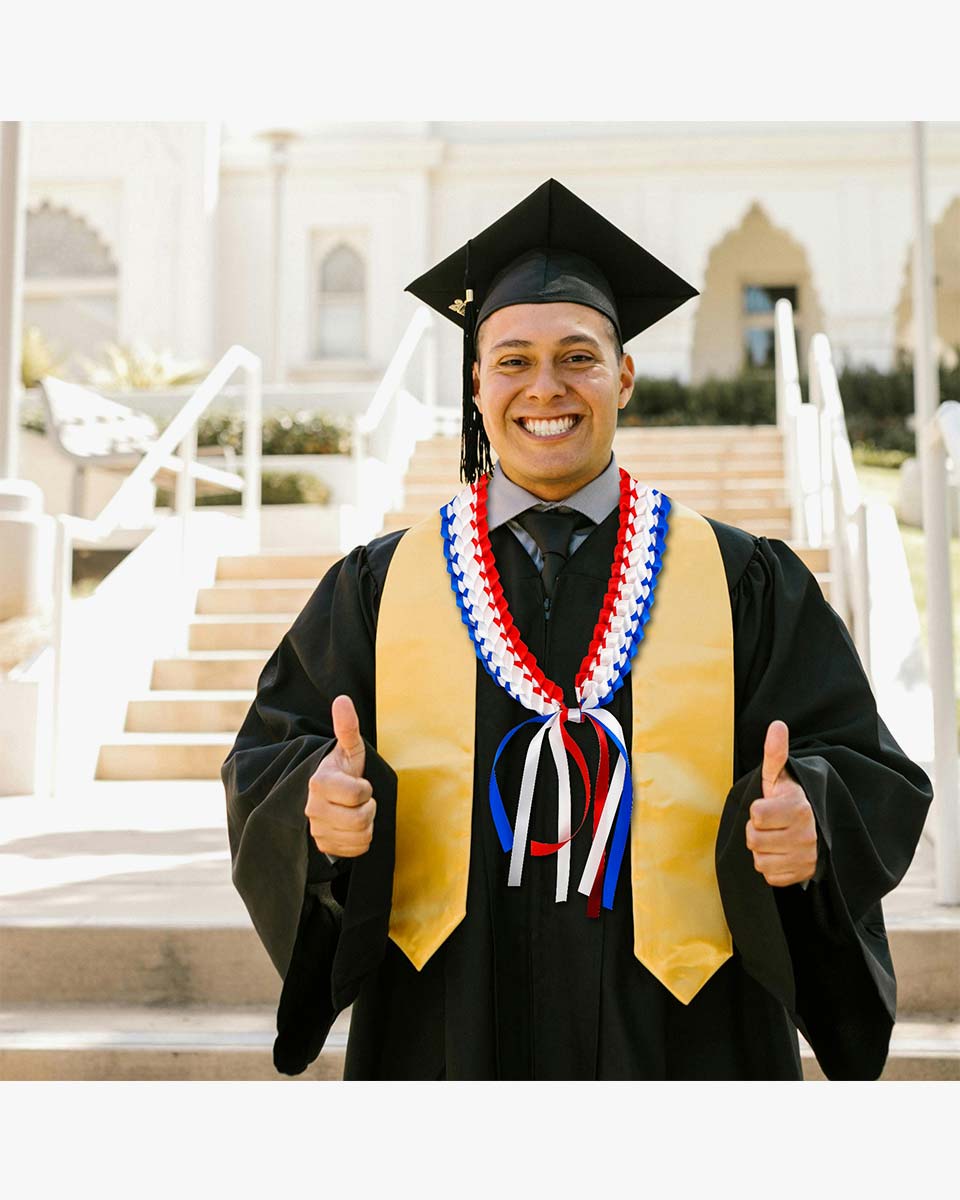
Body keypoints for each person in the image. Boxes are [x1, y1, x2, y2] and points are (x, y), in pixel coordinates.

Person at [222, 178, 933, 1080]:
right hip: (450, 1023)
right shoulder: (381, 584)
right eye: (512, 360)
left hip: (682, 1035)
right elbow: (272, 757)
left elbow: (862, 762)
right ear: (476, 384)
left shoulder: (739, 578)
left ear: (624, 375)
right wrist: (313, 813)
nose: (545, 387)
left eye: (579, 356)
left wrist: (812, 823)